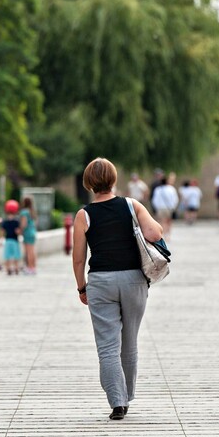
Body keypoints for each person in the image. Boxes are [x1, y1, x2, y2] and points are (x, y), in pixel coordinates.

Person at [72, 157, 163, 420]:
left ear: (89, 183)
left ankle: (117, 402)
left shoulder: (84, 215)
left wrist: (81, 288)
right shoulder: (132, 205)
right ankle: (128, 395)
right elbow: (155, 234)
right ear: (114, 180)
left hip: (101, 281)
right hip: (134, 279)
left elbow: (78, 257)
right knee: (129, 342)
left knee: (107, 346)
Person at [1, 199, 22, 276]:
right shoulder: (16, 221)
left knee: (7, 256)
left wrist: (0, 239)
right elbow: (18, 231)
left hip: (7, 240)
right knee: (16, 255)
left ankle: (8, 269)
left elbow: (2, 231)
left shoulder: (5, 221)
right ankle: (16, 268)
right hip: (15, 240)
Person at [19, 197, 38, 275]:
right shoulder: (32, 212)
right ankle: (33, 267)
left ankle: (29, 267)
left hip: (27, 233)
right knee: (32, 251)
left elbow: (24, 223)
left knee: (28, 251)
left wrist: (20, 230)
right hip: (33, 232)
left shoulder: (24, 212)